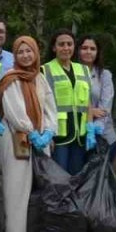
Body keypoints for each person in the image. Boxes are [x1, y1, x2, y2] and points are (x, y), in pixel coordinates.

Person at [0, 36, 57, 232]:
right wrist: (31, 131)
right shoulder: (10, 77)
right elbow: (14, 110)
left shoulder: (40, 78)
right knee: (16, 187)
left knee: (40, 186)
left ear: (36, 53)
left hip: (40, 137)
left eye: (29, 51)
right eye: (20, 52)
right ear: (15, 56)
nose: (25, 55)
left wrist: (49, 131)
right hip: (15, 137)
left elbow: (50, 107)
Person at [42, 30, 93, 175]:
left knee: (76, 176)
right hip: (58, 136)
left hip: (80, 135)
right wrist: (47, 133)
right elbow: (42, 106)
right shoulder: (45, 70)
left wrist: (90, 128)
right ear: (54, 48)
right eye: (61, 44)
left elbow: (88, 102)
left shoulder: (84, 70)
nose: (66, 48)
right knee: (59, 177)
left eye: (69, 44)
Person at [78, 34, 116, 160]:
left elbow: (105, 108)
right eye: (84, 48)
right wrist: (90, 111)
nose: (88, 52)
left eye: (92, 49)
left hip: (103, 136)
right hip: (77, 136)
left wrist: (95, 129)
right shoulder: (71, 73)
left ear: (98, 52)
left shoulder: (104, 75)